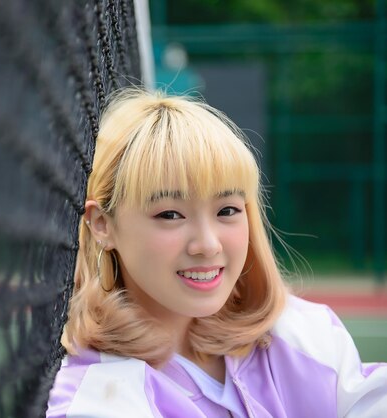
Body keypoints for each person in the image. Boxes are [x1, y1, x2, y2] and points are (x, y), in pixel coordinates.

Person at [46, 89, 387, 417]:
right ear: (103, 225)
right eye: (170, 214)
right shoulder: (98, 398)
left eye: (227, 210)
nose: (208, 245)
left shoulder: (305, 333)